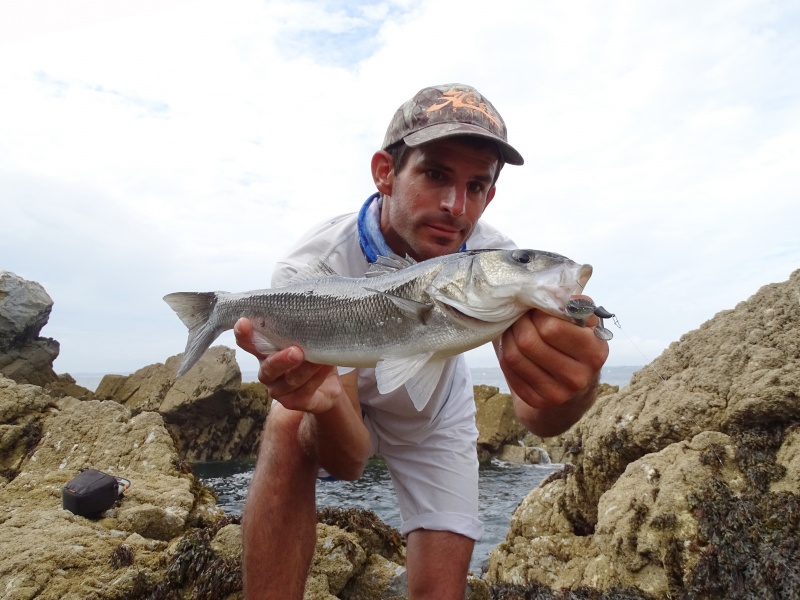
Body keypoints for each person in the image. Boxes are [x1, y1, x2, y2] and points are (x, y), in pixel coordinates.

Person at [234, 83, 609, 599]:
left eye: (476, 186)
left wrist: (579, 384)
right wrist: (320, 408)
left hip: (435, 406)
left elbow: (538, 419)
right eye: (435, 174)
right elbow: (349, 461)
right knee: (287, 421)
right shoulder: (311, 270)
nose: (456, 206)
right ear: (385, 173)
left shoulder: (497, 260)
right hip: (340, 398)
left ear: (490, 195)